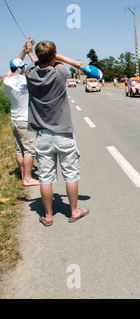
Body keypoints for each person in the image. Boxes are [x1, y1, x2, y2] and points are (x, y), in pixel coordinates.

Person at [25, 40, 89, 226]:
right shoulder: (61, 73)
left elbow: (37, 63)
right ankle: (74, 211)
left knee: (45, 178)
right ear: (54, 56)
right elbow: (61, 62)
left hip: (43, 135)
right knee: (71, 175)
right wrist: (63, 58)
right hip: (64, 133)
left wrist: (32, 53)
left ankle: (48, 215)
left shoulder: (30, 73)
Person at [2, 38, 40, 186]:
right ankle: (28, 178)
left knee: (19, 149)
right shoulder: (25, 82)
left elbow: (14, 64)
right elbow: (39, 69)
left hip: (14, 119)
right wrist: (30, 53)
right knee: (29, 150)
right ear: (21, 69)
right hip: (25, 120)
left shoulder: (6, 80)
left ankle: (23, 174)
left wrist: (24, 51)